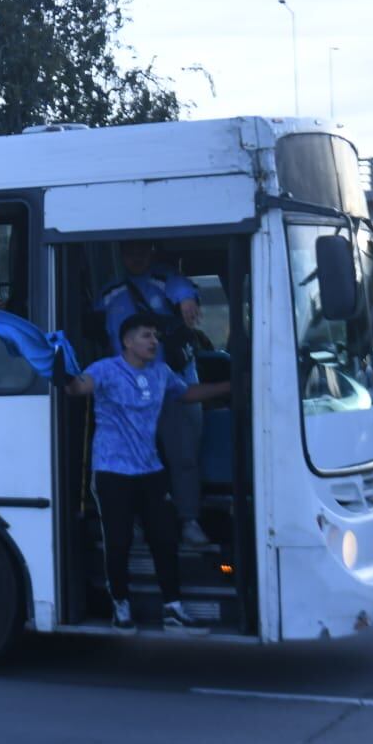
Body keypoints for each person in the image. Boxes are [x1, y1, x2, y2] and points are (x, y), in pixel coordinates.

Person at [66, 312, 229, 635]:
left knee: (164, 540)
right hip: (112, 470)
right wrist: (63, 373)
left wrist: (231, 384)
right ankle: (121, 607)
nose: (154, 341)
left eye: (155, 335)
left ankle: (173, 609)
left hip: (151, 470)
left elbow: (186, 394)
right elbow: (78, 388)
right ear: (127, 341)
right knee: (120, 541)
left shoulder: (162, 373)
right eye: (146, 336)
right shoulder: (106, 369)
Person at [96, 241, 212, 547]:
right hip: (128, 393)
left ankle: (189, 520)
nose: (136, 258)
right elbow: (97, 332)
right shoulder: (110, 292)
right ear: (120, 255)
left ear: (152, 253)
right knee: (129, 462)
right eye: (129, 252)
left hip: (173, 388)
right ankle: (131, 522)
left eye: (141, 251)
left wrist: (187, 300)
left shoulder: (167, 281)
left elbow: (182, 289)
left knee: (183, 456)